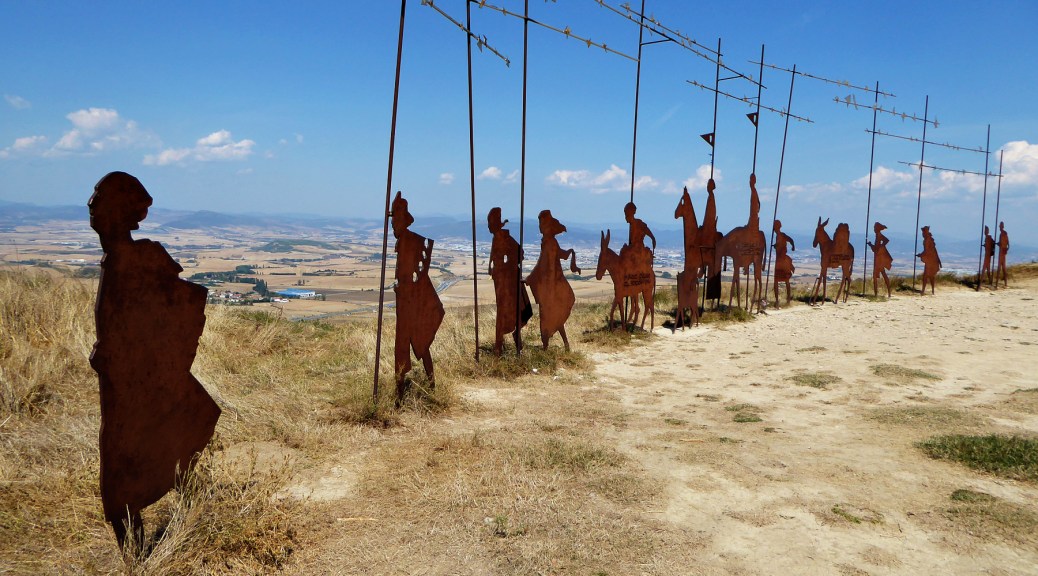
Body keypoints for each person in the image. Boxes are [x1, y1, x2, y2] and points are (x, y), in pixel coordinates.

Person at [89, 172, 220, 550]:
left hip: (139, 380)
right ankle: (140, 548)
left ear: (118, 211)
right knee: (126, 465)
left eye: (99, 200)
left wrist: (123, 351)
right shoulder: (119, 259)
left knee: (134, 464)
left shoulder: (143, 257)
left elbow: (184, 305)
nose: (91, 207)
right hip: (123, 382)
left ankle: (145, 547)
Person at [391, 191, 444, 403]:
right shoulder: (404, 241)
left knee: (418, 344)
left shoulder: (411, 241)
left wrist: (407, 286)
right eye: (392, 221)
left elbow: (419, 268)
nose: (393, 226)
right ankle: (401, 390)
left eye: (395, 221)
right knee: (405, 346)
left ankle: (417, 388)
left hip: (411, 302)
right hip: (405, 302)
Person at [525, 210, 580, 350]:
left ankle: (546, 347)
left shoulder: (549, 243)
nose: (539, 227)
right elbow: (562, 255)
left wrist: (530, 278)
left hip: (549, 286)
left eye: (541, 224)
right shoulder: (551, 242)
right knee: (555, 315)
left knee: (547, 315)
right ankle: (565, 344)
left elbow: (542, 263)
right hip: (554, 284)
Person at [487, 207, 531, 355]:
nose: (488, 226)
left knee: (509, 311)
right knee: (505, 311)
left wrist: (506, 267)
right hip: (502, 281)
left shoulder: (504, 237)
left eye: (490, 223)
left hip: (508, 282)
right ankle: (503, 345)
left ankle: (500, 347)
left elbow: (519, 253)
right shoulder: (497, 238)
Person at [772, 219, 796, 306]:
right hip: (778, 260)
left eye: (775, 227)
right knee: (776, 281)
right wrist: (776, 246)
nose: (774, 229)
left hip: (782, 260)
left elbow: (791, 240)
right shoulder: (777, 236)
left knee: (786, 281)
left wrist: (793, 246)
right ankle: (777, 301)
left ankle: (787, 300)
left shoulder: (782, 235)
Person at [867, 221, 893, 297]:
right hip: (877, 259)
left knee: (878, 275)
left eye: (875, 228)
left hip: (878, 260)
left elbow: (886, 240)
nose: (874, 229)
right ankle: (883, 293)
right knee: (880, 275)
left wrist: (881, 247)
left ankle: (878, 293)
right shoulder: (877, 236)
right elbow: (875, 249)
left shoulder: (879, 235)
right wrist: (871, 245)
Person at [917, 225, 942, 296]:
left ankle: (923, 291)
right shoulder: (929, 239)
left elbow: (927, 251)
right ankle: (932, 291)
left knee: (926, 276)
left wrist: (920, 255)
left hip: (931, 260)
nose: (922, 234)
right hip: (932, 259)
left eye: (923, 233)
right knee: (931, 276)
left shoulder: (927, 240)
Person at [997, 221, 1010, 288]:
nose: (1000, 228)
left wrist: (1005, 248)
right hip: (1002, 251)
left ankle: (1004, 283)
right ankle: (1004, 283)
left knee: (1001, 267)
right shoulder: (1001, 234)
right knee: (1002, 267)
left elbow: (1007, 242)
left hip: (1002, 252)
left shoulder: (1004, 233)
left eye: (1000, 226)